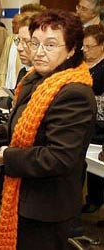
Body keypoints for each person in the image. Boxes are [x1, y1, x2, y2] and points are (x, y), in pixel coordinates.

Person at [0, 9, 96, 249]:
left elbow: (59, 157)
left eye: (50, 45)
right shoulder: (34, 79)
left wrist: (9, 157)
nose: (39, 52)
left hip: (46, 207)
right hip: (24, 197)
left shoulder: (74, 93)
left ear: (71, 49)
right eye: (35, 43)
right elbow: (21, 123)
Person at [82, 24, 104, 213]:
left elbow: (94, 87)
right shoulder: (81, 62)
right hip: (81, 117)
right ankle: (88, 198)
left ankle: (96, 200)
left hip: (99, 121)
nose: (85, 50)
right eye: (84, 46)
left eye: (90, 47)